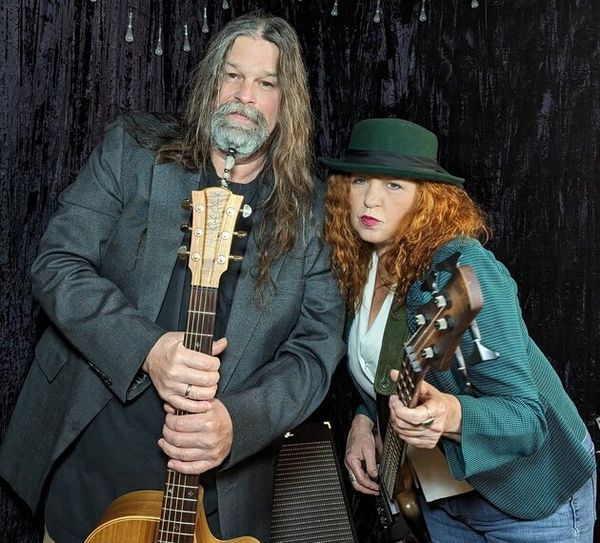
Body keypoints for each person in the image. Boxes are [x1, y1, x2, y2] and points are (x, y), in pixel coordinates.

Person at [0, 11, 345, 543]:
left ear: (287, 101)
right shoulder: (134, 151)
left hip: (216, 493)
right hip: (95, 461)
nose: (244, 96)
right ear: (211, 81)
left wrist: (236, 423)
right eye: (232, 75)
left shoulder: (313, 214)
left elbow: (316, 349)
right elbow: (58, 263)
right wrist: (149, 349)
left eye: (265, 83)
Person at [321, 118, 597, 542]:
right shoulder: (361, 263)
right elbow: (379, 365)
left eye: (394, 185)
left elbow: (526, 419)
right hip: (442, 500)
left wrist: (450, 414)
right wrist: (364, 419)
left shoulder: (459, 270)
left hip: (529, 498)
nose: (371, 199)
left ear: (427, 199)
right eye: (360, 180)